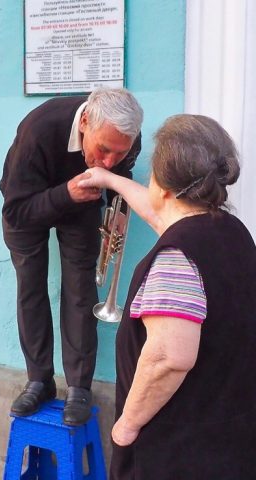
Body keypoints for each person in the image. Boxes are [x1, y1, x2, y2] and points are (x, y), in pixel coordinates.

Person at [78, 114, 256, 479]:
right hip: (230, 439)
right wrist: (111, 179)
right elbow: (165, 217)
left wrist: (126, 425)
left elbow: (169, 358)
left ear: (163, 186)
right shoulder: (230, 230)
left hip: (178, 453)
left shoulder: (177, 257)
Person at [0, 88, 144, 426]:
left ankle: (79, 387)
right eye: (103, 149)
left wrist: (117, 208)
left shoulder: (127, 140)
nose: (109, 161)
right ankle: (39, 380)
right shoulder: (38, 129)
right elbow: (16, 211)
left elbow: (117, 180)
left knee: (81, 291)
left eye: (118, 154)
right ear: (84, 123)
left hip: (82, 201)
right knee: (31, 287)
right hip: (26, 201)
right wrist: (66, 194)